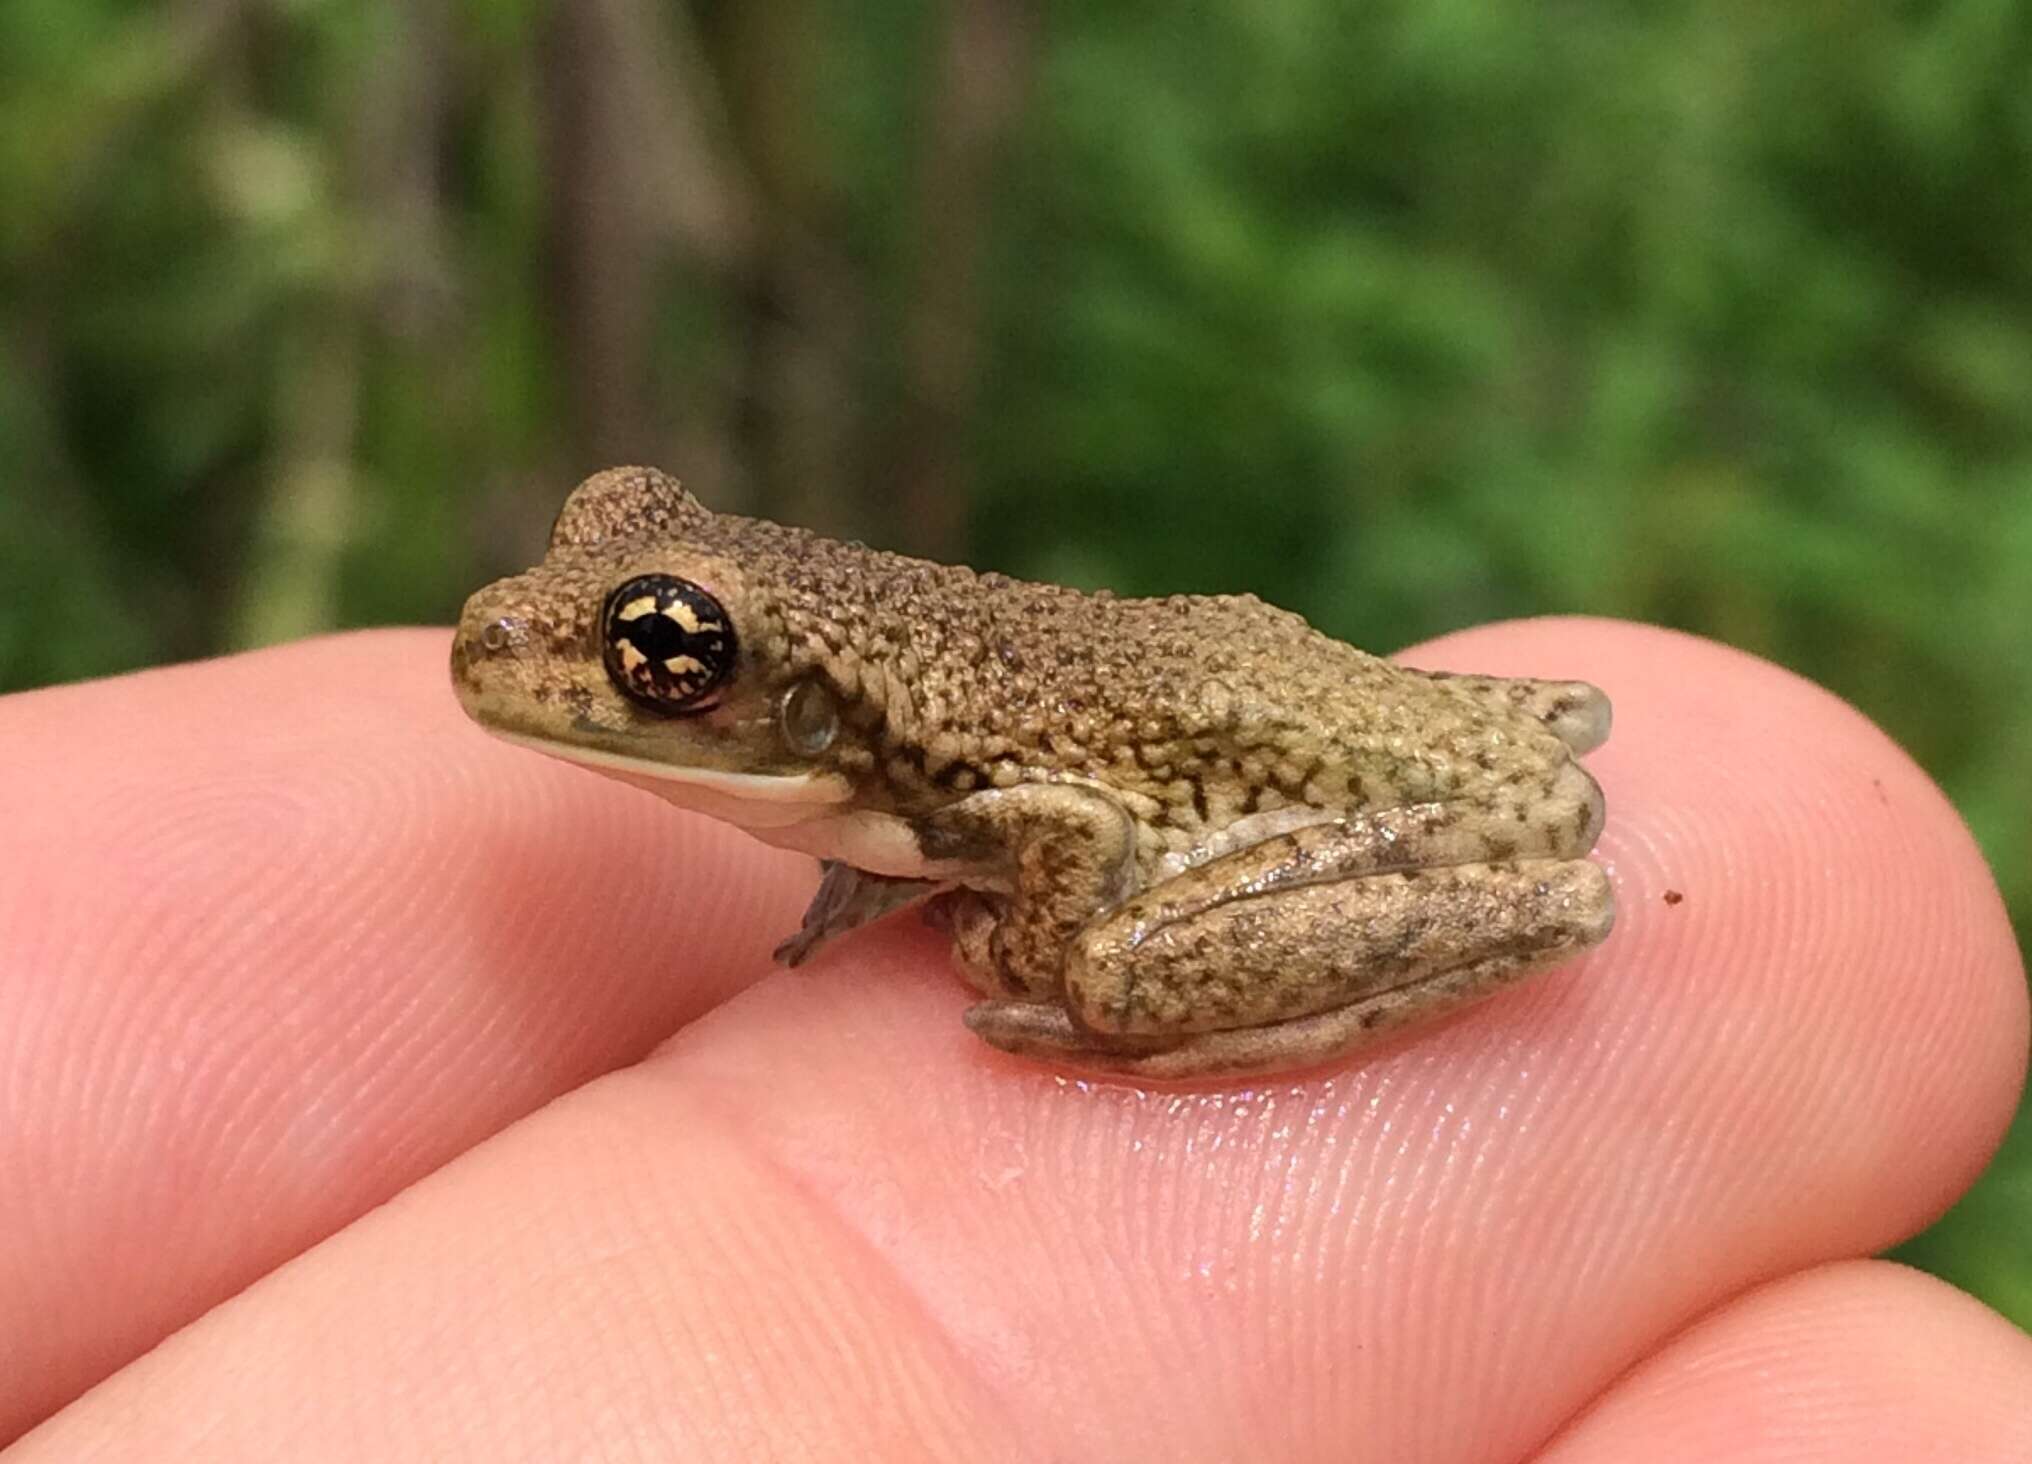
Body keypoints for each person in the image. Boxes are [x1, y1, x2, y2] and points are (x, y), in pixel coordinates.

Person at [2, 620, 2027, 1461]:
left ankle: (1151, 1015)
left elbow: (1044, 830)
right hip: (1357, 728)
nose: (512, 640)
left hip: (1417, 813)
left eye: (656, 657)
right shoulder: (875, 734)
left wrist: (1044, 958)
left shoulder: (927, 772)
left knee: (1111, 970)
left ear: (777, 698)